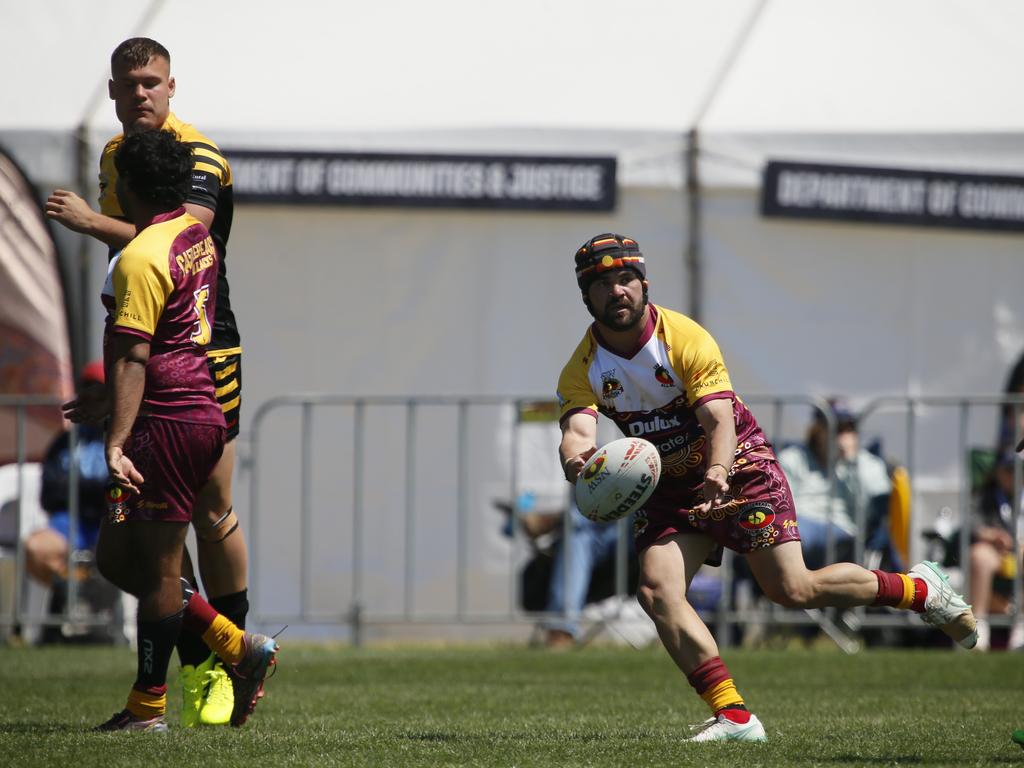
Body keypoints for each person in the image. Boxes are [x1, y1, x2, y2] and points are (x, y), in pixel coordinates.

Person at [556, 233, 978, 743]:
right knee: (655, 589)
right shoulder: (582, 367)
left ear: (643, 283)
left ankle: (921, 589)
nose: (616, 290)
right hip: (670, 486)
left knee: (792, 589)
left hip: (738, 465)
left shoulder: (684, 338)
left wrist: (717, 473)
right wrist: (577, 463)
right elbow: (577, 432)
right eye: (602, 284)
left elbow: (719, 422)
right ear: (586, 296)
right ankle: (734, 717)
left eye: (625, 278)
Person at [46, 37, 249, 726]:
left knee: (209, 506)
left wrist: (88, 222)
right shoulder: (114, 156)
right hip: (146, 349)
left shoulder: (200, 155)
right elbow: (141, 250)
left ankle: (215, 671)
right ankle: (217, 652)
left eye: (153, 82)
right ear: (111, 91)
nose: (141, 94)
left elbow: (178, 239)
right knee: (133, 542)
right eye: (129, 83)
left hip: (201, 349)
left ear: (172, 87)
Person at [23, 361, 115, 642]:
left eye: (99, 389)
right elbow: (49, 491)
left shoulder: (122, 437)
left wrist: (79, 488)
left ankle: (94, 607)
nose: (92, 396)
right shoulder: (66, 441)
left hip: (108, 524)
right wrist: (88, 489)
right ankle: (75, 588)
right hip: (69, 524)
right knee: (35, 547)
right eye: (86, 388)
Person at [777, 401, 894, 571]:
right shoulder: (793, 458)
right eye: (836, 427)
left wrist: (852, 462)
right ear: (817, 430)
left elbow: (870, 512)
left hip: (841, 530)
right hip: (797, 525)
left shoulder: (867, 464)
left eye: (849, 428)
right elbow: (781, 506)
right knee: (782, 531)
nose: (842, 435)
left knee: (791, 536)